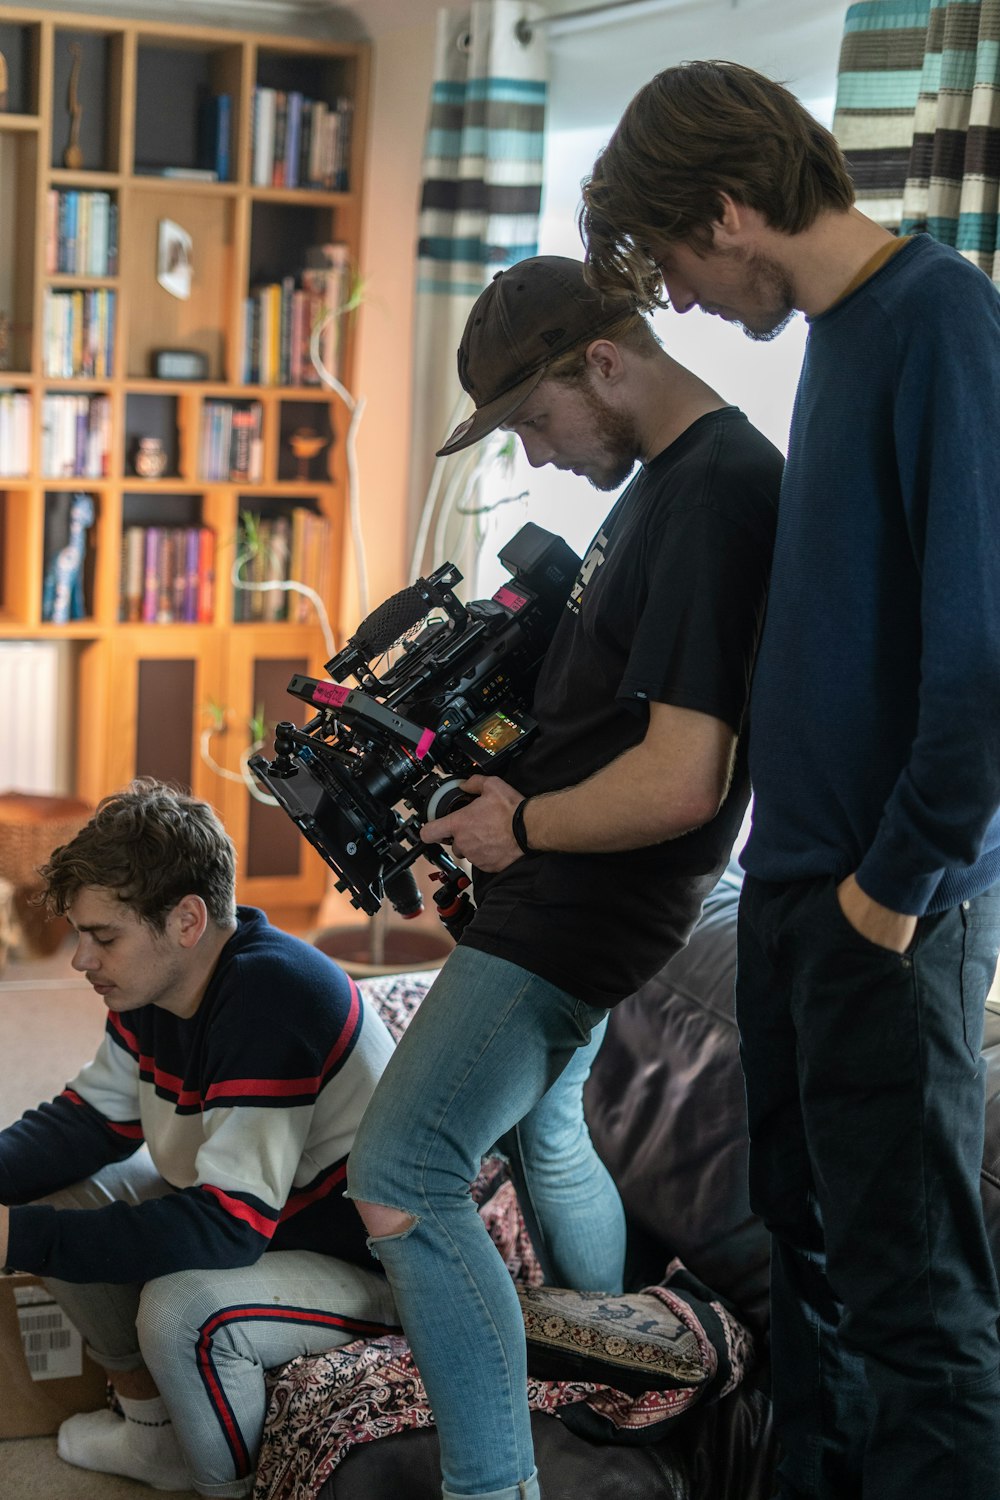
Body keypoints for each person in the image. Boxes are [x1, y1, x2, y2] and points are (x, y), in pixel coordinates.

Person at [580, 59, 1000, 1500]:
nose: (685, 301)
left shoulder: (939, 316)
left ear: (735, 206)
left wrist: (891, 894)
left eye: (681, 260)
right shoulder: (840, 335)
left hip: (887, 906)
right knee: (808, 1290)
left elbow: (985, 660)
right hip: (799, 889)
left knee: (917, 1317)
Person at [346, 253, 781, 1500]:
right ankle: (609, 1374)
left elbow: (688, 778)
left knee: (403, 1171)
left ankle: (497, 1487)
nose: (535, 455)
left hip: (586, 902)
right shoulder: (664, 485)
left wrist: (523, 827)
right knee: (546, 1128)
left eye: (536, 420)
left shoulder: (715, 495)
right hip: (573, 888)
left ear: (604, 360)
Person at [0, 779, 397, 1496]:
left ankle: (231, 1487)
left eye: (103, 936)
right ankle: (157, 1438)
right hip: (271, 1220)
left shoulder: (270, 999)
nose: (80, 961)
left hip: (363, 1263)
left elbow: (228, 1228)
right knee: (59, 1195)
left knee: (181, 1311)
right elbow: (86, 1124)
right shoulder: (154, 985)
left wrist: (15, 1240)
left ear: (186, 919)